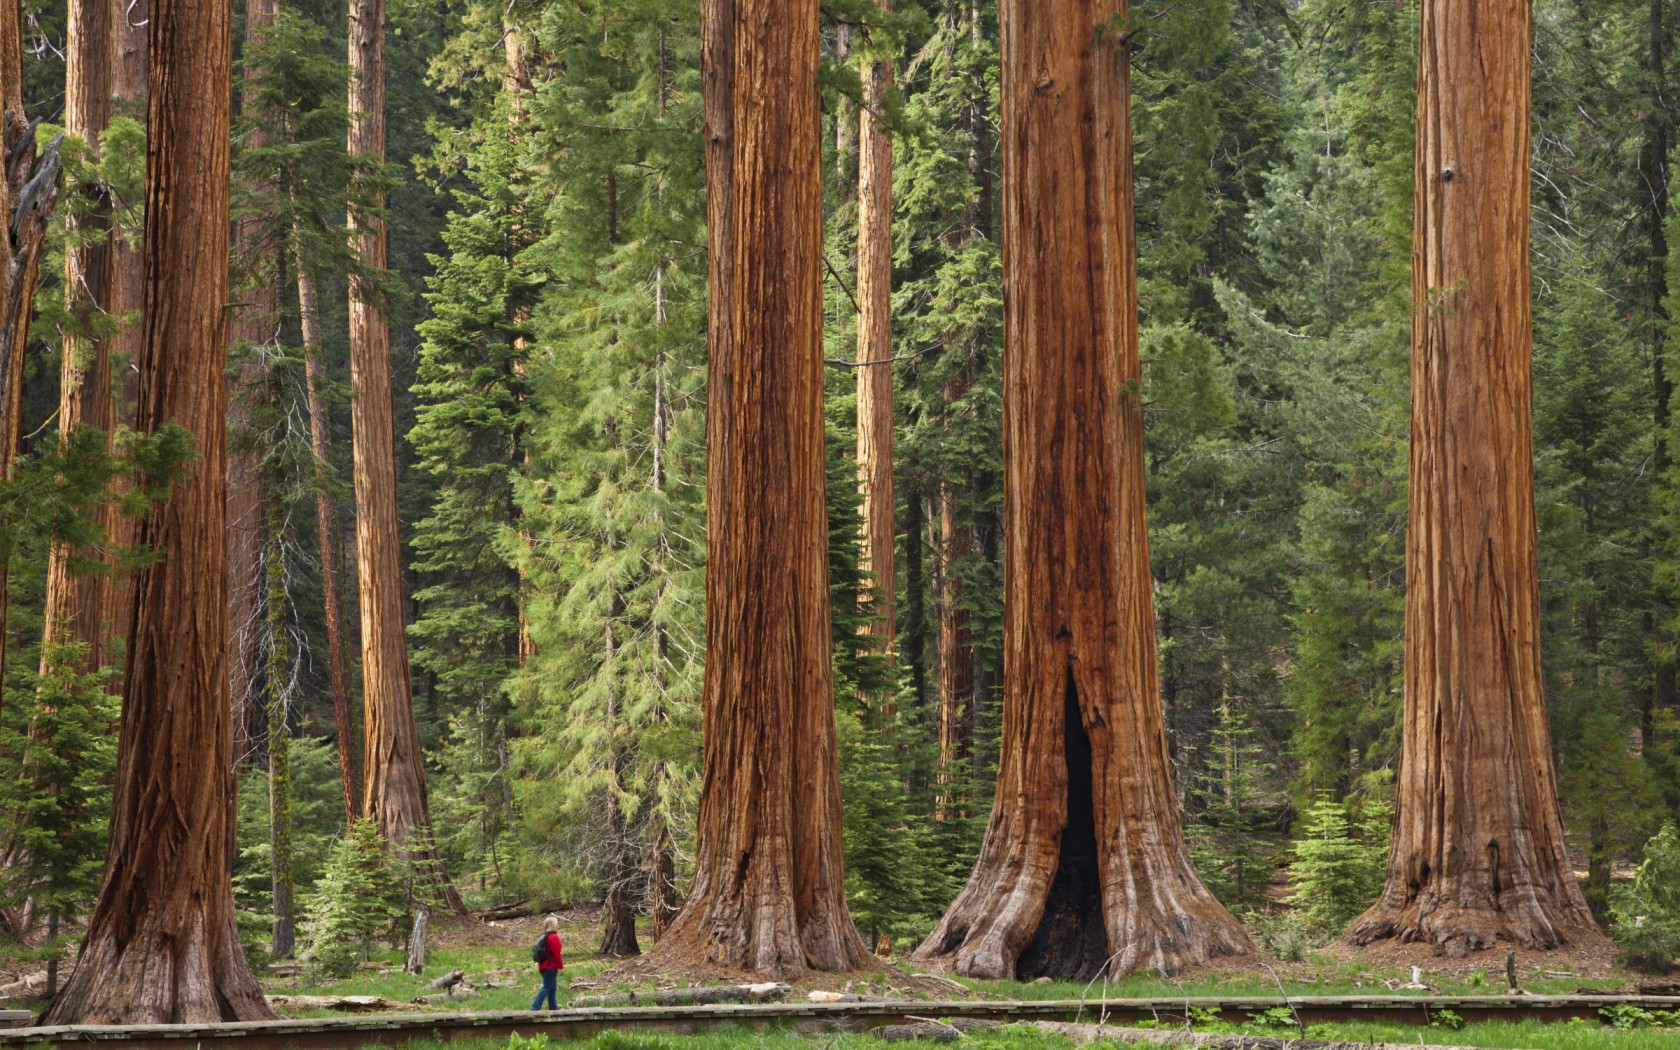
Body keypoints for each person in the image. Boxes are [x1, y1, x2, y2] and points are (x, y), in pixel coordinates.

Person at [530, 916, 564, 1010]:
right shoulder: (554, 938)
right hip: (550, 967)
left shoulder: (543, 937)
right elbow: (556, 955)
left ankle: (553, 1007)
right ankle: (535, 1007)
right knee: (547, 987)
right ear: (554, 925)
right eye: (557, 923)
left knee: (552, 987)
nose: (558, 925)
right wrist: (560, 967)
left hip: (542, 967)